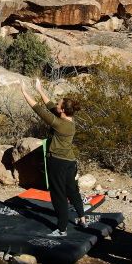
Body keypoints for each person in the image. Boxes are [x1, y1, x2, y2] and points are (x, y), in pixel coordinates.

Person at [20, 78, 87, 237]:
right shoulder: (69, 120)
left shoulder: (60, 124)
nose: (57, 105)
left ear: (63, 110)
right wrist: (40, 89)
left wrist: (24, 92)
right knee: (72, 190)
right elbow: (50, 107)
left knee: (58, 195)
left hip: (58, 162)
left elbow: (39, 110)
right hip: (70, 162)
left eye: (59, 104)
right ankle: (82, 219)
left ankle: (62, 229)